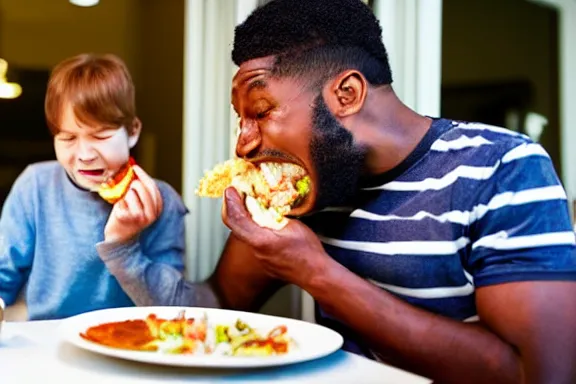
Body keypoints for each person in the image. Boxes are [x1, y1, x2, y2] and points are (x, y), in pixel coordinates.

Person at [103, 1, 576, 383]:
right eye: (240, 118)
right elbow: (214, 307)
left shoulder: (500, 166)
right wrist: (127, 249)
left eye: (262, 111)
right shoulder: (310, 187)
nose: (243, 141)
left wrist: (317, 272)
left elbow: (536, 373)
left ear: (346, 94)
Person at [0, 53, 188, 320]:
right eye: (67, 138)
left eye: (100, 136)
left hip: (130, 342)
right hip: (49, 342)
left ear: (133, 131)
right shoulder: (34, 187)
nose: (85, 154)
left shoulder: (163, 200)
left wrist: (123, 246)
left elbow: (175, 310)